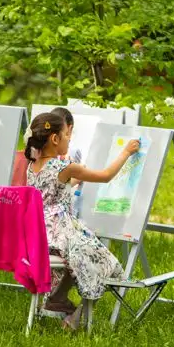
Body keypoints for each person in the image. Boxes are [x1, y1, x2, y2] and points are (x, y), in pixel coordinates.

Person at [25, 112, 138, 329]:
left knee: (83, 259)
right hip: (62, 233)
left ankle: (59, 301)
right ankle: (75, 318)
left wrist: (74, 180)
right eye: (67, 136)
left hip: (39, 233)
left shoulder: (33, 166)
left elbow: (56, 185)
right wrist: (126, 151)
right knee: (106, 263)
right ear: (55, 139)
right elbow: (105, 176)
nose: (69, 140)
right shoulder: (64, 167)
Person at [50, 107, 83, 217]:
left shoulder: (39, 151)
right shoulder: (71, 153)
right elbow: (54, 192)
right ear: (69, 128)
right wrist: (76, 179)